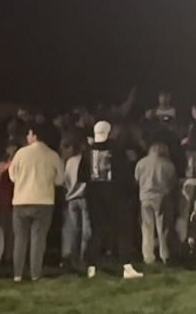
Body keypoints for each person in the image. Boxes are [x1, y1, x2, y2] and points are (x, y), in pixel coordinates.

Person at [84, 120, 144, 279]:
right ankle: (126, 266)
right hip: (116, 197)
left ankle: (92, 266)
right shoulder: (117, 150)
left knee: (97, 231)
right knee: (123, 230)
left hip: (94, 197)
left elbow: (81, 176)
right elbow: (124, 174)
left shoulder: (87, 151)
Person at [9, 124, 65, 283]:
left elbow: (12, 175)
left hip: (21, 201)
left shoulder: (21, 153)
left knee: (20, 239)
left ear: (33, 135)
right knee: (38, 239)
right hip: (43, 201)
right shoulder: (52, 155)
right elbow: (59, 180)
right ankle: (35, 273)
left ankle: (17, 274)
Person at [135, 140, 178, 265]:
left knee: (147, 228)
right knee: (163, 228)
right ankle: (165, 255)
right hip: (161, 197)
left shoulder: (141, 163)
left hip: (144, 197)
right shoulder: (168, 164)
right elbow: (172, 182)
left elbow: (136, 180)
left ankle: (148, 256)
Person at [61, 137, 91, 273]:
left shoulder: (69, 162)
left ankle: (73, 259)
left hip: (71, 198)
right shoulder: (87, 160)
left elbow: (65, 180)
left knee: (74, 230)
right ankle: (84, 258)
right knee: (86, 230)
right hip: (84, 197)